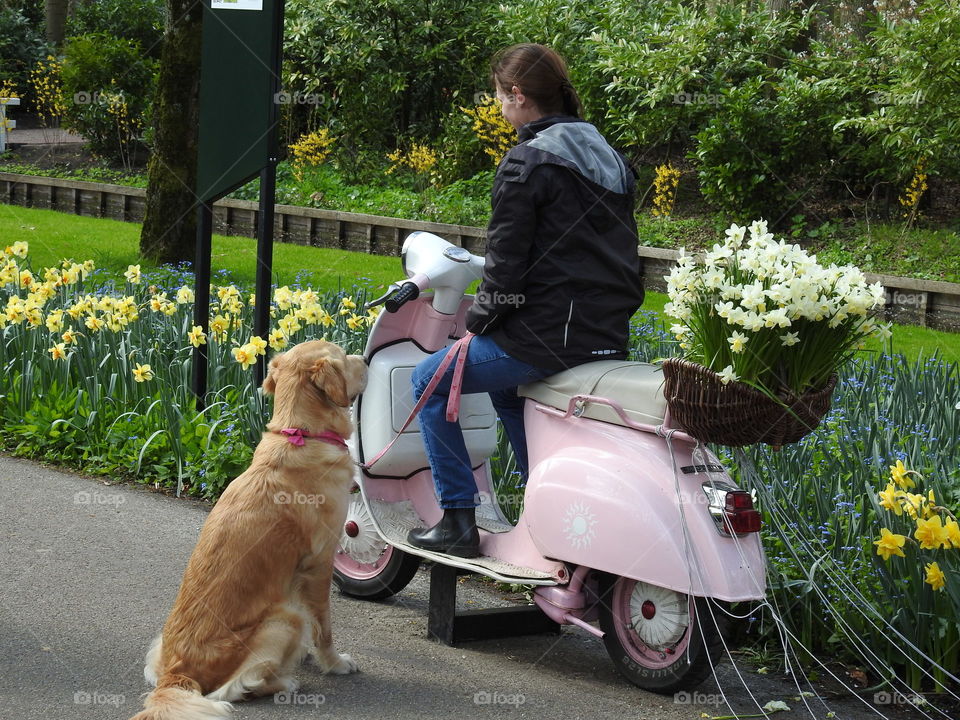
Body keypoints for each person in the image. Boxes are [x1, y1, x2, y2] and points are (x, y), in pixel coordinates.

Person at [406, 43, 645, 558]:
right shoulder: (608, 157)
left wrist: (480, 320)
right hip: (603, 331)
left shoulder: (527, 162)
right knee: (507, 393)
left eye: (498, 96)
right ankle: (545, 507)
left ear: (518, 95)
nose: (497, 106)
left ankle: (456, 521)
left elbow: (507, 263)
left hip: (545, 336)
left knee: (427, 382)